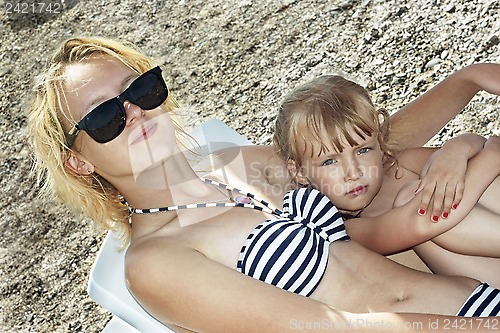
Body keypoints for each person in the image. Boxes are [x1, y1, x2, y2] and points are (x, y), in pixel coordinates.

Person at [28, 36, 500, 333]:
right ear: (78, 163)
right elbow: (325, 327)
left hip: (470, 295)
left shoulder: (233, 165)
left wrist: (466, 84)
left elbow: (356, 154)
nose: (132, 111)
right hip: (458, 323)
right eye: (105, 116)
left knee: (438, 172)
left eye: (140, 89)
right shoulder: (155, 261)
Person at [273, 73, 500, 285]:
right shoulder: (349, 231)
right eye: (330, 162)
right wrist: (492, 156)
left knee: (441, 170)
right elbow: (422, 222)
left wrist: (457, 148)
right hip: (489, 283)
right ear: (299, 172)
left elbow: (473, 152)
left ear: (380, 143)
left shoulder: (405, 164)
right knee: (414, 196)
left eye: (362, 151)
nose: (353, 172)